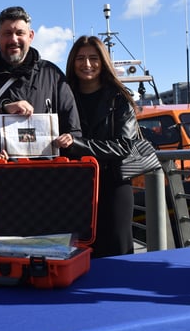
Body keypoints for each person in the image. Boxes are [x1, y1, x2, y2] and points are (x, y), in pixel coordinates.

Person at [0, 6, 82, 243]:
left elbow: (75, 129)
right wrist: (1, 108)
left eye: (19, 32)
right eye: (7, 33)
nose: (13, 39)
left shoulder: (52, 75)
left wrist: (67, 140)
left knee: (43, 254)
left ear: (31, 35)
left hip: (45, 188)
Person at [57, 36, 139, 258]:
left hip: (113, 185)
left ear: (103, 62)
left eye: (94, 58)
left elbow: (124, 145)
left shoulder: (120, 98)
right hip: (75, 188)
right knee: (77, 252)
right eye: (80, 58)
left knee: (117, 250)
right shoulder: (63, 97)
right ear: (72, 62)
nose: (87, 64)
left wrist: (78, 145)